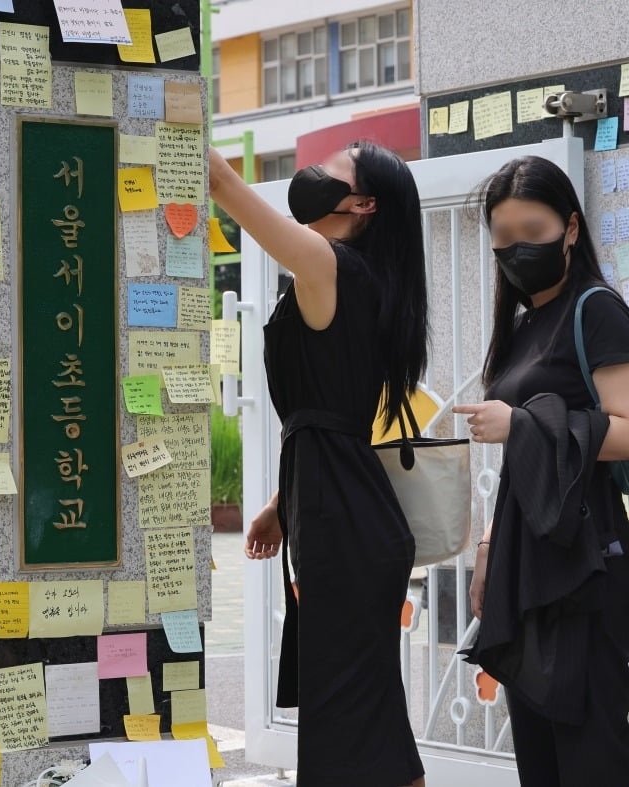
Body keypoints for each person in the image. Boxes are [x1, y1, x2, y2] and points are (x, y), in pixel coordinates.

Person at [209, 141, 427, 787]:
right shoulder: (351, 276)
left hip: (343, 521)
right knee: (365, 718)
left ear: (362, 203)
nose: (309, 175)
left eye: (330, 170)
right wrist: (283, 501)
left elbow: (221, 182)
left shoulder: (337, 268)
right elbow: (325, 415)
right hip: (339, 511)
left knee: (350, 723)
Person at [455, 155, 629, 787]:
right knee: (540, 754)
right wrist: (489, 544)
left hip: (584, 560)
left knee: (592, 748)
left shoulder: (596, 310)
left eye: (533, 233)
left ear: (570, 229)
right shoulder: (519, 323)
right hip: (527, 554)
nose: (518, 251)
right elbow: (522, 466)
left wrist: (522, 424)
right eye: (504, 240)